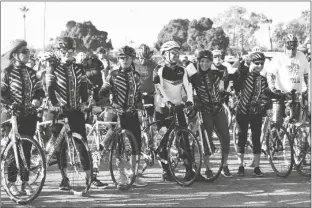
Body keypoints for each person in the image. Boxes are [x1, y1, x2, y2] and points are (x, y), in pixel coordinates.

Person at [45, 37, 93, 192]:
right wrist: (56, 105)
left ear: (74, 51)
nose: (67, 53)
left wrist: (85, 102)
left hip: (76, 111)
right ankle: (64, 178)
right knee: (60, 147)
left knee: (82, 146)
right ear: (59, 52)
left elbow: (84, 88)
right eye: (64, 51)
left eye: (70, 50)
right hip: (59, 112)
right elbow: (50, 89)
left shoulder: (79, 68)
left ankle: (88, 176)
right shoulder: (53, 67)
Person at [98, 45, 147, 189]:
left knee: (136, 145)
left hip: (131, 113)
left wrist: (141, 107)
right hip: (117, 113)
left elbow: (138, 96)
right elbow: (103, 91)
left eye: (128, 58)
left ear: (132, 59)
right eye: (122, 58)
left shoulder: (136, 76)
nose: (125, 60)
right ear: (118, 59)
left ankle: (134, 174)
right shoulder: (112, 74)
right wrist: (106, 103)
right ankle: (122, 175)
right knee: (120, 147)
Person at [1, 39, 45, 195]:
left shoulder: (32, 72)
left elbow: (40, 90)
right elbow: (2, 94)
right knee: (14, 150)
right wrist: (11, 104)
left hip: (30, 116)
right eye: (24, 52)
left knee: (26, 149)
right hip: (13, 116)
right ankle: (11, 182)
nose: (28, 55)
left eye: (28, 52)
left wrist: (38, 99)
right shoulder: (7, 73)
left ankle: (25, 182)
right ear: (15, 55)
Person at [234, 52, 284, 177]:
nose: (260, 66)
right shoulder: (243, 75)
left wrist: (280, 97)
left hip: (256, 113)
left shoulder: (263, 79)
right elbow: (237, 82)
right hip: (242, 112)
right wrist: (243, 64)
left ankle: (256, 167)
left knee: (257, 139)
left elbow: (267, 95)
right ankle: (240, 165)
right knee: (242, 138)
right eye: (257, 63)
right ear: (250, 63)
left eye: (262, 63)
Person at [153, 40, 196, 181]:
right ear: (165, 54)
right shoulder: (159, 69)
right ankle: (166, 170)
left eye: (178, 52)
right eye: (173, 53)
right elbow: (158, 88)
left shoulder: (181, 70)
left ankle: (189, 170)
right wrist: (168, 102)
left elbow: (188, 86)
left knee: (183, 140)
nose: (176, 55)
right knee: (162, 141)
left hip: (178, 108)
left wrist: (189, 101)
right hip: (163, 110)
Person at [187, 49, 233, 178]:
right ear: (198, 61)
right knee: (206, 140)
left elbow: (223, 87)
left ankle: (224, 165)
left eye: (207, 61)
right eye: (202, 61)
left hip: (218, 109)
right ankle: (207, 167)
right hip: (204, 110)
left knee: (225, 137)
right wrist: (195, 101)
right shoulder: (193, 75)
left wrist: (225, 93)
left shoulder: (218, 73)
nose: (205, 64)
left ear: (211, 62)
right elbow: (189, 90)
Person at [267, 34, 310, 126]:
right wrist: (273, 88)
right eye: (289, 49)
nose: (291, 51)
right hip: (280, 95)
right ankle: (276, 138)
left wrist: (308, 90)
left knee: (296, 123)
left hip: (296, 95)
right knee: (276, 123)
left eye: (293, 49)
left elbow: (307, 75)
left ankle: (292, 139)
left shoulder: (301, 56)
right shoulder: (278, 58)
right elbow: (270, 74)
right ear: (284, 47)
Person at [135, 44, 158, 121]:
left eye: (146, 59)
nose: (143, 61)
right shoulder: (133, 64)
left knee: (151, 115)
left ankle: (151, 128)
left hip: (150, 93)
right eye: (141, 58)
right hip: (137, 94)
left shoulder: (153, 64)